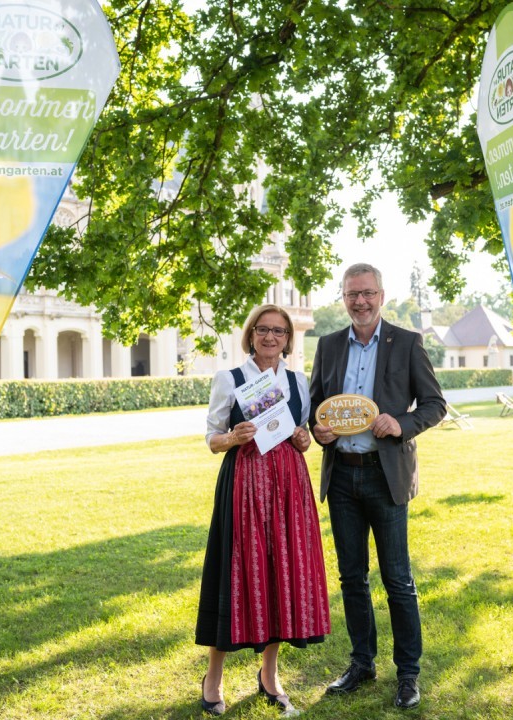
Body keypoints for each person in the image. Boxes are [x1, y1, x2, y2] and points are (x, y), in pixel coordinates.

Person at [309, 263, 446, 710]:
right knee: (352, 578)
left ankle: (408, 674)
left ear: (381, 296)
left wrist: (401, 424)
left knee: (397, 579)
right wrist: (318, 430)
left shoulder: (406, 342)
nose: (361, 301)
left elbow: (434, 404)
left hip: (385, 476)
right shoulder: (328, 345)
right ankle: (361, 664)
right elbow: (315, 406)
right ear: (343, 298)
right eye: (352, 294)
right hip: (342, 475)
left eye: (368, 293)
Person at [195, 304, 330, 717]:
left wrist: (304, 440)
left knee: (279, 573)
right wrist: (232, 438)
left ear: (288, 339)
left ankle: (269, 676)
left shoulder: (297, 381)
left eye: (279, 331)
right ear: (251, 334)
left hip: (288, 486)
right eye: (263, 329)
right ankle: (213, 678)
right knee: (235, 571)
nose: (270, 337)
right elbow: (212, 439)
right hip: (244, 484)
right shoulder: (230, 378)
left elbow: (300, 435)